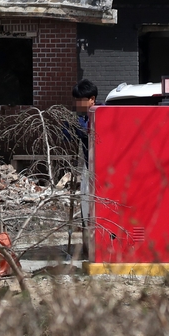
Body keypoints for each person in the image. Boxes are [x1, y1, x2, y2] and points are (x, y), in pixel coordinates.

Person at [68, 80, 97, 236]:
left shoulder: (102, 113)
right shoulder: (81, 118)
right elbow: (68, 137)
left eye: (81, 100)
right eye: (76, 99)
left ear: (92, 99)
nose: (78, 103)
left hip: (103, 167)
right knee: (85, 200)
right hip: (88, 166)